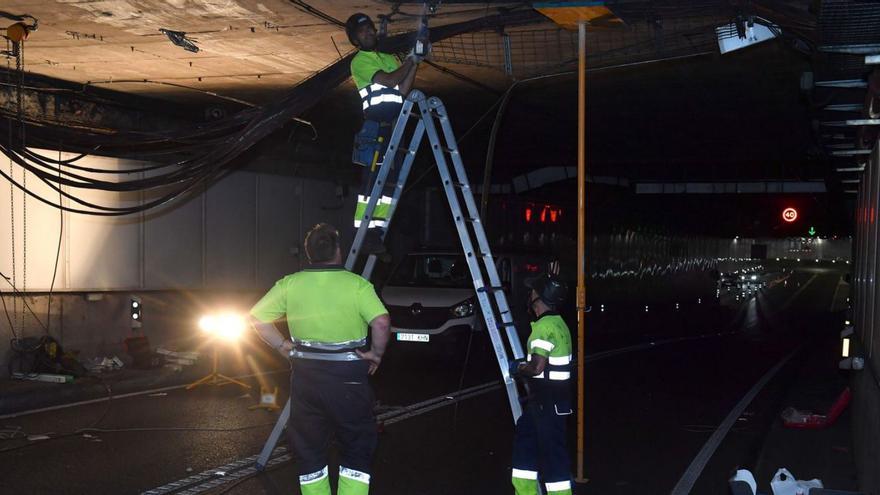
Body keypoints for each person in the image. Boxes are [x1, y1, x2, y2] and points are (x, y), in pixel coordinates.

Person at [250, 223, 391, 495]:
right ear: (338, 250)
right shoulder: (357, 285)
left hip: (306, 381)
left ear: (309, 253)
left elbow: (256, 318)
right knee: (356, 451)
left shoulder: (290, 284)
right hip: (348, 382)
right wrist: (376, 354)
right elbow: (382, 322)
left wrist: (281, 345)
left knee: (310, 453)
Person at [346, 12, 422, 253]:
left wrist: (415, 62)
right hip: (376, 127)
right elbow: (389, 81)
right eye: (362, 32)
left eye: (370, 28)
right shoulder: (359, 61)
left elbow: (403, 90)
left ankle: (377, 232)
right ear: (355, 40)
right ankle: (365, 232)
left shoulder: (388, 58)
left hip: (394, 126)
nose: (368, 33)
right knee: (371, 184)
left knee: (389, 183)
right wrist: (409, 61)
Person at [509, 272, 574, 495]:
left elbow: (537, 367)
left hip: (547, 404)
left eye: (533, 291)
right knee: (526, 445)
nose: (530, 294)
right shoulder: (559, 324)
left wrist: (518, 367)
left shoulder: (543, 328)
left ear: (540, 296)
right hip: (550, 404)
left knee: (552, 459)